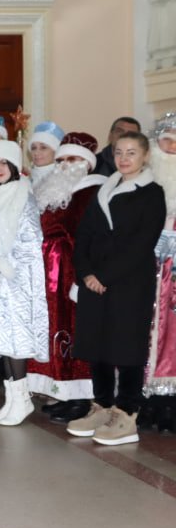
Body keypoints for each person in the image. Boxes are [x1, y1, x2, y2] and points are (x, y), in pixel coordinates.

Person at [68, 131, 167, 445]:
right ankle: (102, 404)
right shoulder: (104, 188)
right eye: (120, 152)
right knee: (96, 344)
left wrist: (105, 276)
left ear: (145, 156)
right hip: (93, 281)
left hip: (128, 283)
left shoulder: (152, 193)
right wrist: (85, 272)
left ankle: (126, 412)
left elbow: (142, 243)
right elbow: (82, 234)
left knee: (126, 346)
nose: (124, 159)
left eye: (131, 153)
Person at [29, 133, 108, 422]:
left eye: (71, 159)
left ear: (86, 163)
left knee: (77, 334)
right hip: (48, 274)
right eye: (60, 159)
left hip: (72, 273)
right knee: (55, 333)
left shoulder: (92, 192)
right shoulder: (54, 192)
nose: (64, 164)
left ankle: (83, 398)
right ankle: (62, 391)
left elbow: (94, 240)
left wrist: (81, 278)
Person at [0, 140, 49, 426]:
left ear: (14, 166)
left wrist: (7, 266)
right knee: (3, 342)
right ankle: (14, 399)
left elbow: (31, 239)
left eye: (3, 163)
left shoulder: (22, 194)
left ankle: (23, 399)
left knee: (16, 341)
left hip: (16, 281)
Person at [145, 114, 176, 431]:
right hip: (146, 275)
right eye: (166, 139)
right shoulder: (146, 183)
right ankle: (147, 403)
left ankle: (170, 405)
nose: (172, 146)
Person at [27, 121, 64, 188]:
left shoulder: (65, 180)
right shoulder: (26, 181)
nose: (36, 152)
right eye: (33, 148)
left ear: (56, 151)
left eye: (43, 147)